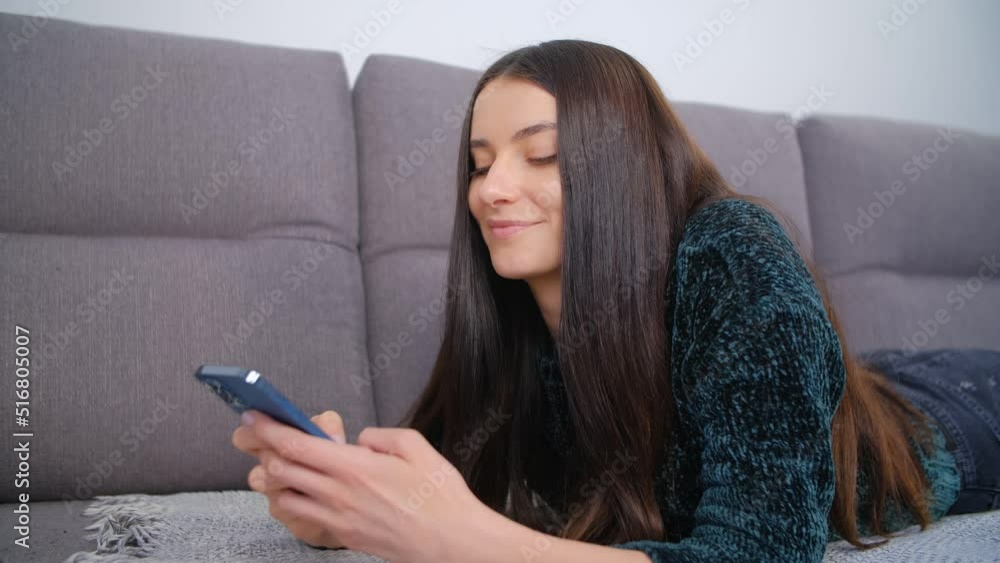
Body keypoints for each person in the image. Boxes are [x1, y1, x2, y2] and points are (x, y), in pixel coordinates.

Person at [231, 40, 1000, 562]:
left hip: (955, 408)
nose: (491, 190)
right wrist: (339, 500)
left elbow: (759, 552)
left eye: (542, 155)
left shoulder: (734, 255)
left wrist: (460, 540)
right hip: (851, 377)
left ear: (623, 166)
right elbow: (449, 475)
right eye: (480, 162)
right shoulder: (516, 308)